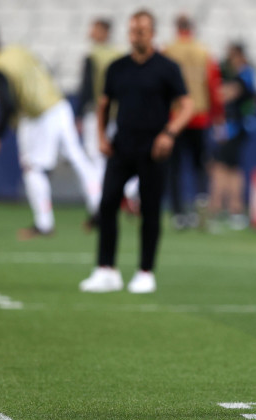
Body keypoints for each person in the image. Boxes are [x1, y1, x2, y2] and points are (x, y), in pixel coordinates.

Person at [79, 10, 194, 294]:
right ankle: (106, 269)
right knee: (107, 203)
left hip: (154, 148)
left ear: (152, 32)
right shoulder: (117, 67)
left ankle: (145, 272)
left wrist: (169, 133)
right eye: (132, 31)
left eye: (141, 31)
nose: (136, 36)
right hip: (122, 145)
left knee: (150, 210)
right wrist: (101, 137)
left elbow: (187, 105)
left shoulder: (167, 67)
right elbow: (104, 103)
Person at [0, 26, 102, 240]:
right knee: (78, 158)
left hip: (37, 115)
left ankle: (44, 223)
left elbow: (6, 103)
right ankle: (100, 209)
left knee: (33, 167)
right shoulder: (19, 50)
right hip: (58, 103)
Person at [163, 14, 225, 230]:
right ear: (192, 28)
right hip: (199, 116)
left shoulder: (168, 51)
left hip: (175, 117)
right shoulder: (204, 52)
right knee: (200, 165)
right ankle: (200, 208)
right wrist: (218, 115)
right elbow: (213, 86)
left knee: (175, 167)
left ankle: (179, 213)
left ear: (176, 27)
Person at [208, 43, 256, 231]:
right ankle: (222, 207)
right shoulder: (240, 75)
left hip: (236, 129)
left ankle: (231, 208)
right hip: (230, 128)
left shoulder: (244, 74)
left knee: (228, 168)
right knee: (222, 167)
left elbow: (227, 94)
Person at [75, 18, 121, 177]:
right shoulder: (118, 54)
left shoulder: (93, 56)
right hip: (118, 112)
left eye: (94, 28)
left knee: (94, 153)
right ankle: (127, 194)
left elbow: (87, 87)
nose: (91, 32)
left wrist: (79, 114)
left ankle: (100, 194)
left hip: (98, 112)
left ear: (103, 31)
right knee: (115, 153)